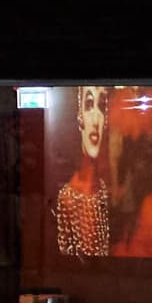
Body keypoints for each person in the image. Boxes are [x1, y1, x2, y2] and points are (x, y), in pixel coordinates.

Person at [51, 84, 118, 259]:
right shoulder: (68, 197)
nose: (96, 119)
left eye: (101, 106)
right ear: (79, 116)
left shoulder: (102, 189)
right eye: (89, 105)